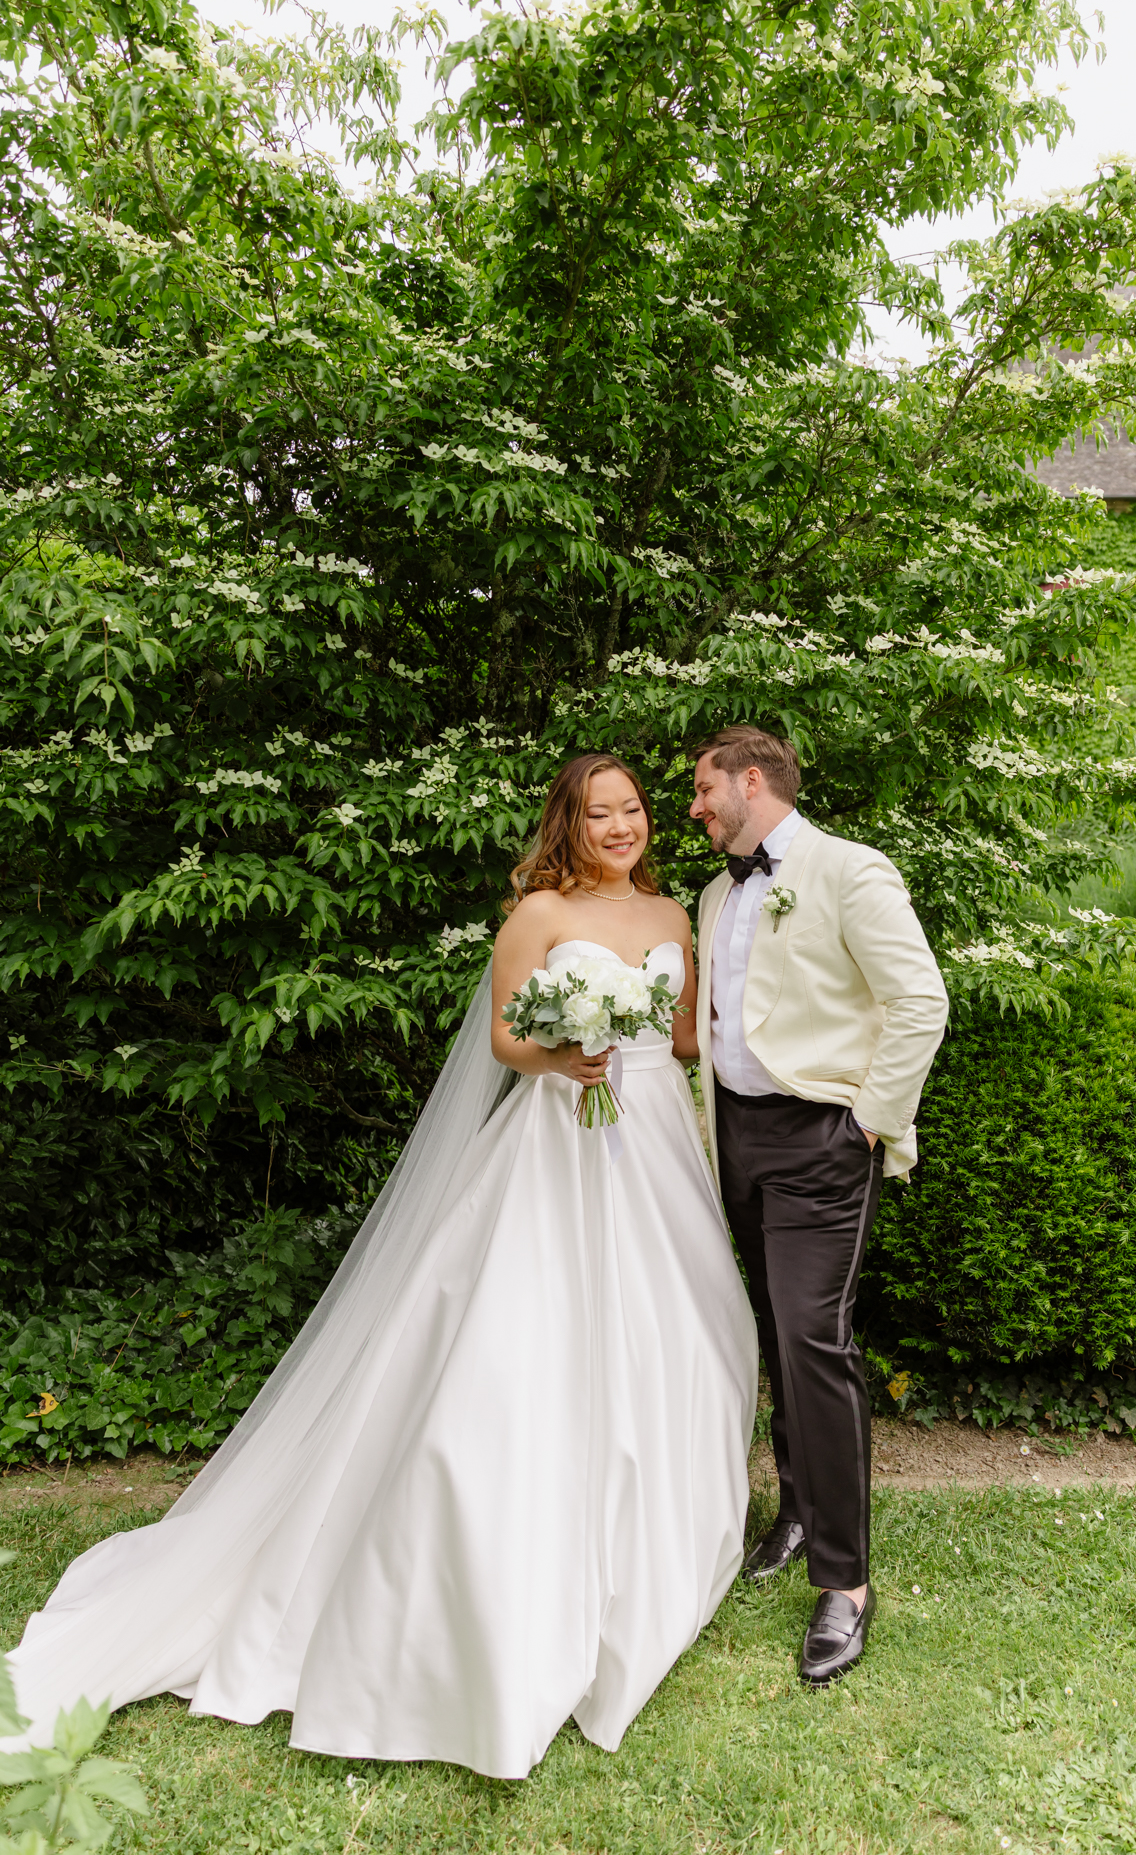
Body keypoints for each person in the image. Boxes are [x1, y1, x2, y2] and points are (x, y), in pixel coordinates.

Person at [8, 754, 757, 1780]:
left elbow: (677, 1040)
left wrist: (638, 1046)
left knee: (686, 1336)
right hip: (554, 1147)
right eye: (598, 812)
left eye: (630, 809)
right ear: (568, 823)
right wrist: (566, 1052)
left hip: (652, 1147)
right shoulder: (538, 917)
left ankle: (655, 1543)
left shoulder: (677, 915)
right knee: (519, 1349)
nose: (619, 825)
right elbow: (503, 1041)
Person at [690, 726, 947, 1686]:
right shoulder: (718, 894)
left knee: (814, 1341)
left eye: (703, 789)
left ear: (750, 782)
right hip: (738, 1142)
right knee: (772, 1330)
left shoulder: (850, 870)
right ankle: (795, 1510)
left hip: (824, 1143)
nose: (695, 807)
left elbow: (920, 1000)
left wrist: (868, 1124)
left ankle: (845, 1584)